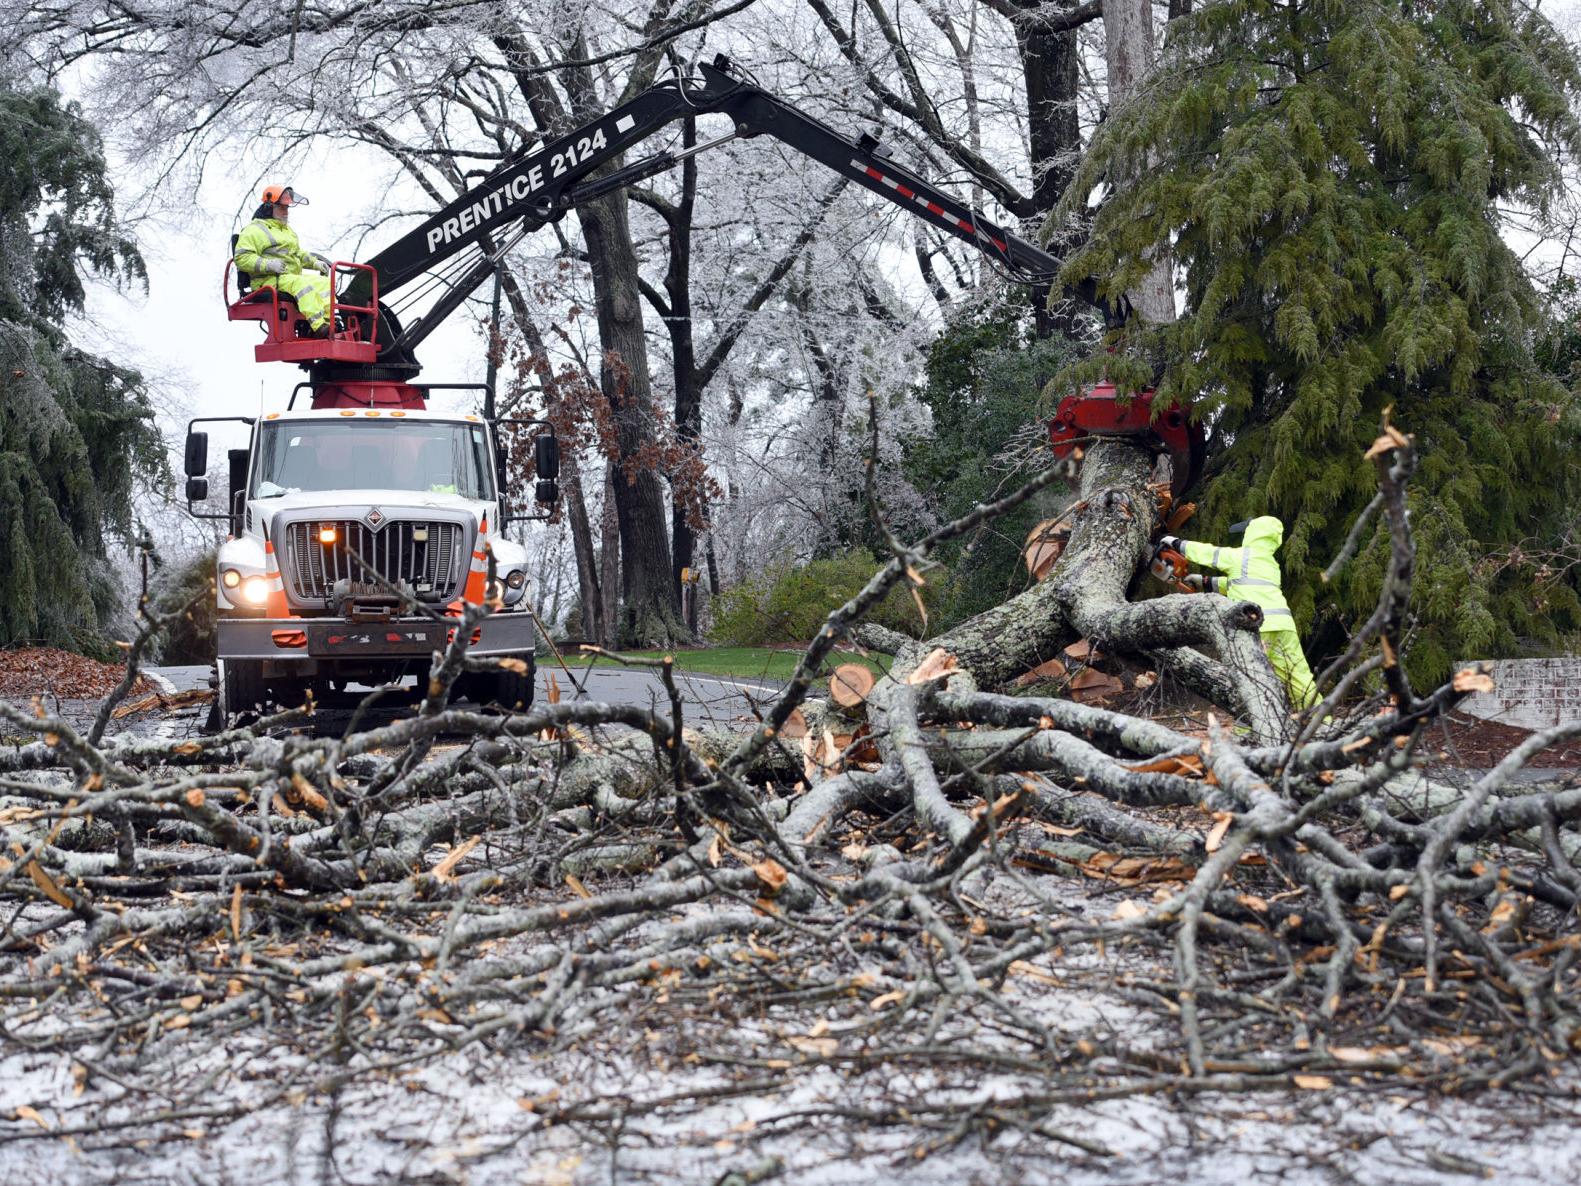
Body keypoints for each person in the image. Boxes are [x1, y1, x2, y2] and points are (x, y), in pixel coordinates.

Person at [1156, 516, 1320, 710]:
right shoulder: (1269, 563)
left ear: (1253, 533)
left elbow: (1209, 553)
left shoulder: (1241, 556)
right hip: (1284, 626)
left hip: (1258, 626)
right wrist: (1206, 582)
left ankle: (1249, 731)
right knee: (1299, 676)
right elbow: (1239, 582)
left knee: (1251, 679)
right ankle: (1320, 721)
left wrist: (1176, 543)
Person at [233, 185, 334, 336]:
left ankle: (329, 324)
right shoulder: (254, 230)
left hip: (288, 278)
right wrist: (269, 265)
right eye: (282, 208)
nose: (286, 212)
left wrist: (314, 263)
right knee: (301, 284)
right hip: (267, 281)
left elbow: (297, 254)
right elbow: (241, 258)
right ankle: (319, 327)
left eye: (287, 208)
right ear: (269, 208)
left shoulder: (287, 231)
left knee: (325, 283)